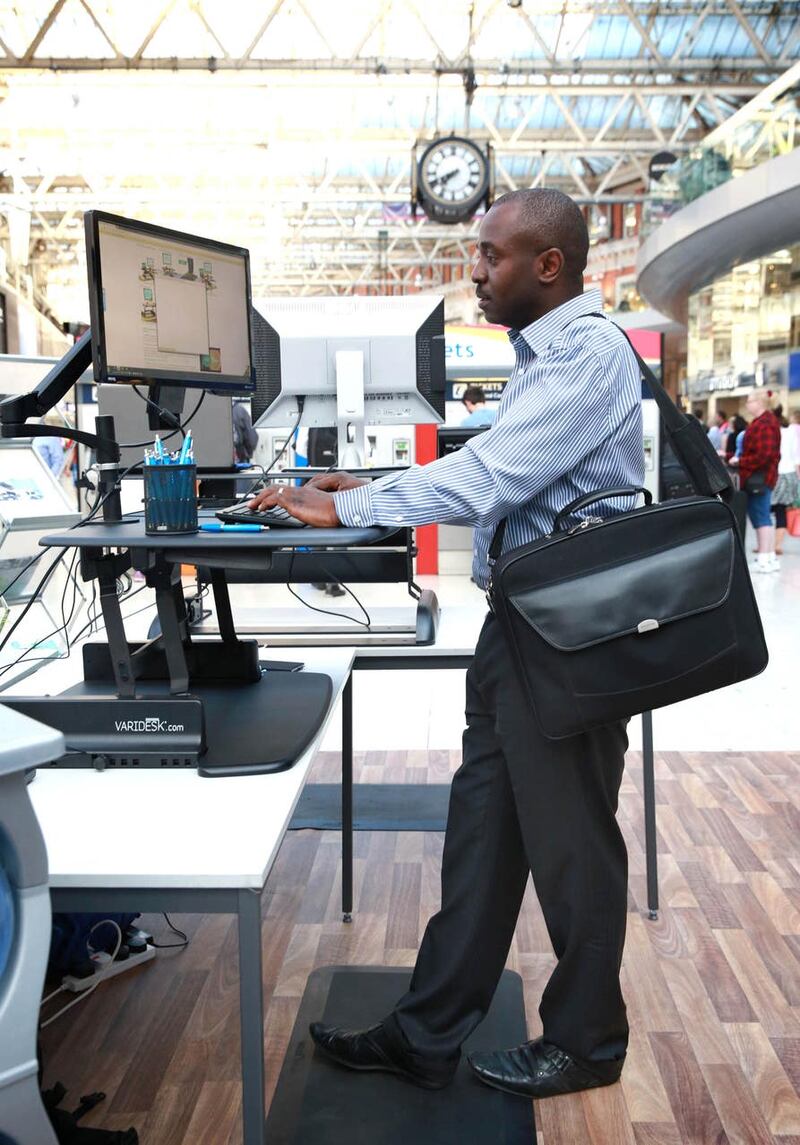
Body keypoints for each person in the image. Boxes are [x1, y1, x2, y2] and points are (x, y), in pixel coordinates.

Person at [248, 188, 644, 1100]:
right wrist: (379, 478)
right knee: (485, 836)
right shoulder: (546, 359)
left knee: (573, 845)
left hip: (571, 639)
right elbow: (503, 462)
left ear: (549, 264)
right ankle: (429, 1032)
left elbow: (492, 473)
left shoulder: (584, 353)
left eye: (490, 254)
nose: (475, 270)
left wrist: (349, 505)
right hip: (524, 629)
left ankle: (588, 1040)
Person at [730, 388, 781, 572]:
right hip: (761, 477)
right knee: (763, 516)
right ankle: (768, 557)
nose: (747, 404)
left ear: (759, 402)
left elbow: (764, 455)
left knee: (761, 517)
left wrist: (740, 461)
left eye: (749, 401)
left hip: (759, 477)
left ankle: (764, 559)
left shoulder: (764, 424)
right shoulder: (764, 422)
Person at [771, 407, 800, 556]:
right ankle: (776, 545)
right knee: (781, 511)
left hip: (773, 474)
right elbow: (797, 456)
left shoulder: (772, 432)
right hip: (789, 475)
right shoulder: (791, 433)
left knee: (768, 511)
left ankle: (767, 545)